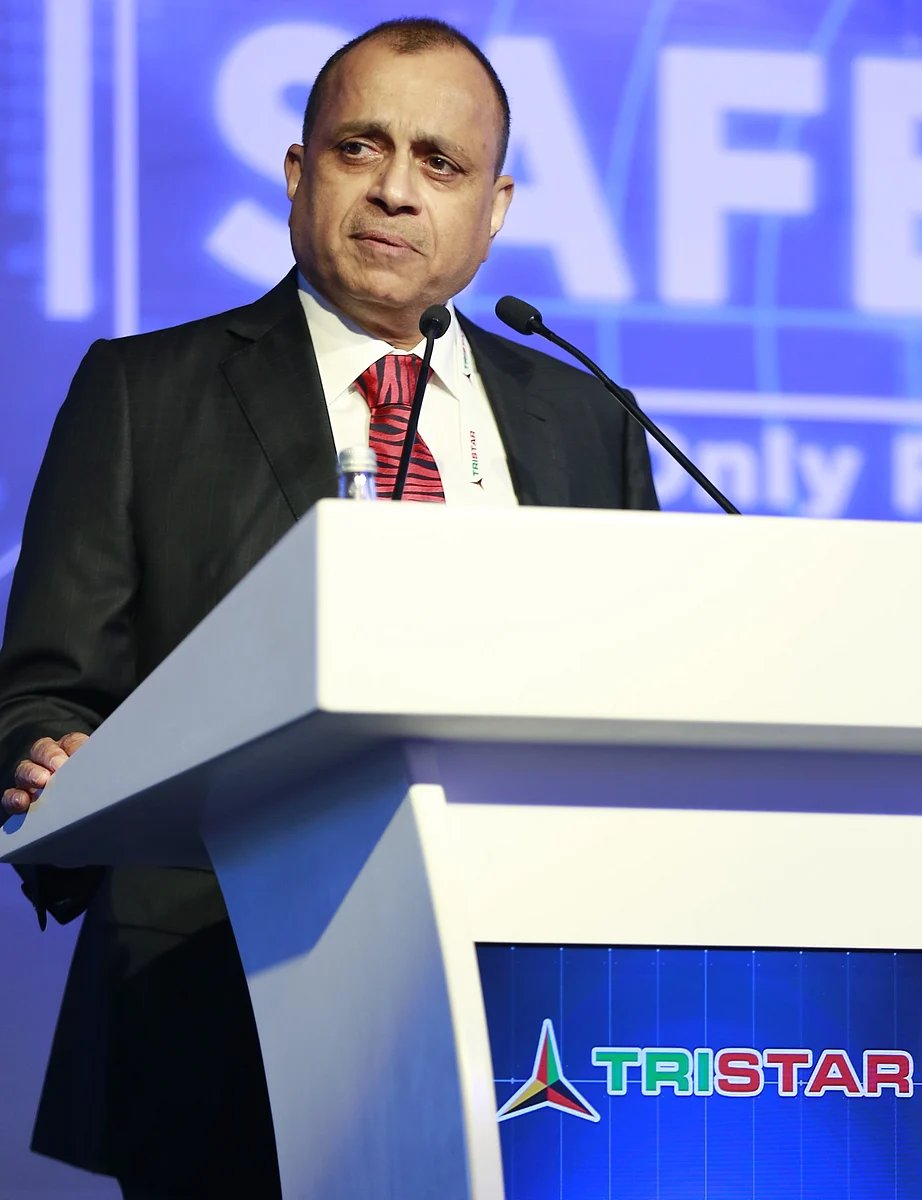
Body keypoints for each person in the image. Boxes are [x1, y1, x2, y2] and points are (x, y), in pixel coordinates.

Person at [0, 18, 657, 1198]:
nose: (397, 190)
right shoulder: (146, 393)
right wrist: (59, 761)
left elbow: (645, 693)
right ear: (301, 174)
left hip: (536, 994)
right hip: (221, 993)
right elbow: (45, 691)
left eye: (441, 163)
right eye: (362, 148)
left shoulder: (589, 422)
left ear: (495, 209)